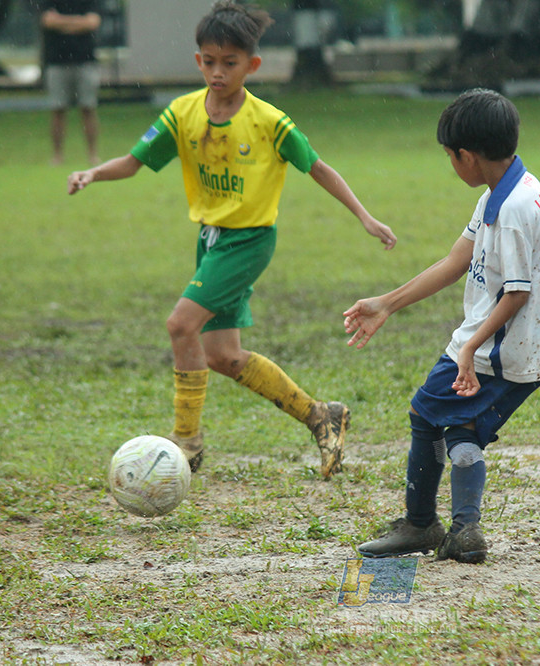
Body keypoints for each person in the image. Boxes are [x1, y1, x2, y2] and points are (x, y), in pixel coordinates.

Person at [66, 2, 396, 478]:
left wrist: (364, 217)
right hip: (211, 240)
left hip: (249, 241)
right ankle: (320, 415)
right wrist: (93, 173)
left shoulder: (269, 121)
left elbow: (319, 168)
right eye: (209, 61)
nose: (217, 72)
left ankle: (186, 442)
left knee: (181, 325)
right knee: (222, 355)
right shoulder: (182, 113)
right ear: (198, 60)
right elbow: (135, 162)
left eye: (229, 62)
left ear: (252, 65)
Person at [344, 89, 540, 563]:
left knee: (426, 412)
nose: (451, 164)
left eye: (449, 156)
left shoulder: (511, 211)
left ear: (467, 155)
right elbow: (456, 260)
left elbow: (517, 293)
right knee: (461, 426)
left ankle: (421, 524)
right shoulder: (508, 191)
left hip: (498, 348)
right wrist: (387, 304)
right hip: (524, 345)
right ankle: (465, 532)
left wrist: (469, 349)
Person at [41, 0, 101, 165]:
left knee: (88, 108)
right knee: (57, 109)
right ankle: (57, 156)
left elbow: (93, 22)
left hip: (85, 61)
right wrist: (79, 22)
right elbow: (47, 20)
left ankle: (93, 155)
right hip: (57, 62)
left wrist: (61, 22)